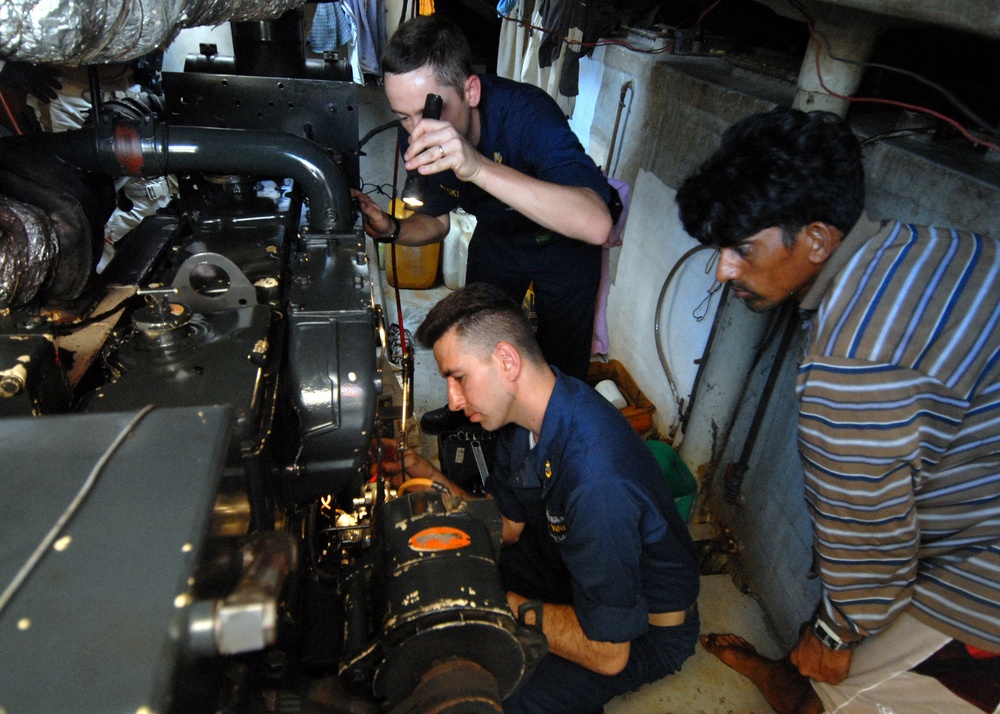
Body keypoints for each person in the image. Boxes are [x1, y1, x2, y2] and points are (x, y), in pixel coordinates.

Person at [674, 106, 1000, 714]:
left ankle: (803, 689)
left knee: (846, 686)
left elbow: (872, 554)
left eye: (742, 248)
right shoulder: (937, 246)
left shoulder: (851, 373)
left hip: (978, 581)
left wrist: (833, 633)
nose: (724, 269)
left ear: (819, 238)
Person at [381, 282, 700, 713]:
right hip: (563, 566)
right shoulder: (534, 414)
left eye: (458, 378)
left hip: (639, 632)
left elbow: (609, 654)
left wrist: (498, 604)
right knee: (440, 570)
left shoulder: (596, 482)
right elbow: (507, 526)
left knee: (485, 690)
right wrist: (425, 475)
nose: (453, 402)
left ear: (507, 360)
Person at [352, 15, 613, 432]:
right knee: (470, 336)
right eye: (403, 117)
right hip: (498, 238)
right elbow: (435, 222)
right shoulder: (417, 130)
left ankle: (555, 438)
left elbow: (598, 225)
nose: (418, 130)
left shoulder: (527, 114)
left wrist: (475, 167)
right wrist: (393, 230)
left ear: (470, 90)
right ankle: (469, 416)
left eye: (427, 112)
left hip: (563, 243)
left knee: (560, 362)